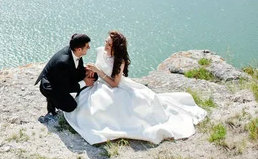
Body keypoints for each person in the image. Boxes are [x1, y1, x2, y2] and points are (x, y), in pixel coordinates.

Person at [64, 31, 207, 145]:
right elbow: (98, 65)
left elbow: (115, 84)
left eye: (108, 44)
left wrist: (99, 72)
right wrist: (91, 70)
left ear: (115, 47)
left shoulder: (120, 62)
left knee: (117, 108)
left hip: (114, 87)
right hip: (100, 85)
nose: (105, 45)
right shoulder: (100, 51)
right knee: (87, 106)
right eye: (106, 42)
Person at [35, 34, 96, 116]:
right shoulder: (63, 62)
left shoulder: (74, 50)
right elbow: (65, 87)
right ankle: (51, 101)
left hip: (63, 76)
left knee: (93, 76)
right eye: (87, 46)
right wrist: (85, 82)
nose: (89, 48)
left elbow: (76, 66)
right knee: (70, 106)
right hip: (52, 86)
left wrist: (86, 71)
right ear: (79, 49)